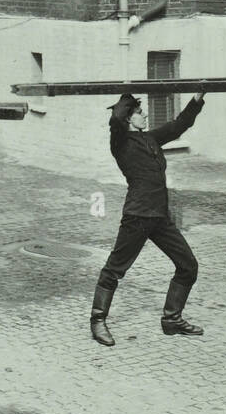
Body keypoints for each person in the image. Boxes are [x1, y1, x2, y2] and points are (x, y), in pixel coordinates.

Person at [89, 88, 207, 347]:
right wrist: (127, 98)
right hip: (137, 216)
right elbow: (115, 120)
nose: (145, 116)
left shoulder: (152, 138)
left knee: (188, 266)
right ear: (129, 118)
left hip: (159, 218)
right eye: (140, 113)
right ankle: (97, 321)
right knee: (114, 269)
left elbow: (179, 125)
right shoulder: (120, 142)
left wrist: (197, 98)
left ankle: (172, 319)